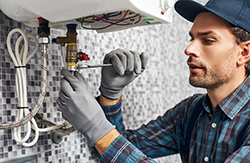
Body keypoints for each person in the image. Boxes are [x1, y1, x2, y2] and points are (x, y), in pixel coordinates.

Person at [57, 0, 250, 162]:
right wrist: (110, 95)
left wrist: (97, 128)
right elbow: (115, 149)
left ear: (244, 53)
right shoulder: (191, 111)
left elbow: (106, 140)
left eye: (207, 40)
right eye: (192, 38)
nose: (189, 49)